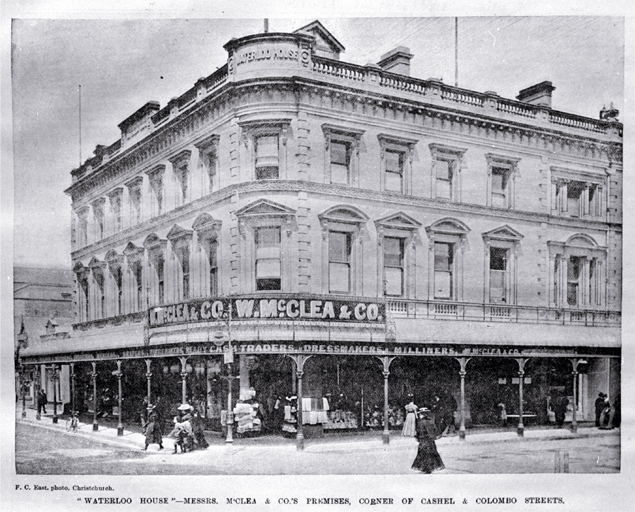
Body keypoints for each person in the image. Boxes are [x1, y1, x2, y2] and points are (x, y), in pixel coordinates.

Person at [411, 407, 445, 474]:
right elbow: (434, 430)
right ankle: (430, 467)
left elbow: (419, 432)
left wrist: (418, 437)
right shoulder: (430, 421)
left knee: (423, 454)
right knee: (431, 454)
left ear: (422, 414)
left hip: (423, 440)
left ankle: (426, 468)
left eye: (420, 414)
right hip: (430, 441)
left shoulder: (421, 422)